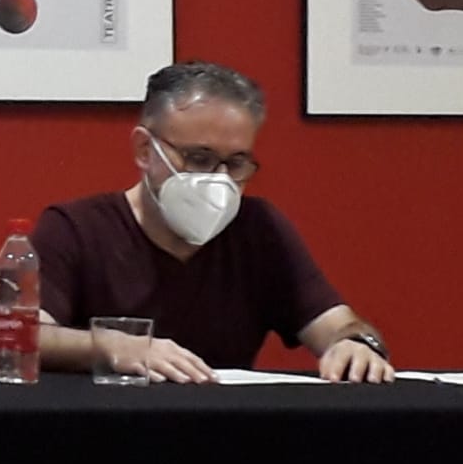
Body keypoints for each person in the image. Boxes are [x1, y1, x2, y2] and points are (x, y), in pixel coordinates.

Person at [34, 61, 393, 383]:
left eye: (236, 163)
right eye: (199, 158)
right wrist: (115, 346)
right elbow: (29, 336)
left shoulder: (260, 230)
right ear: (145, 150)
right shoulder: (75, 228)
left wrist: (355, 344)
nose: (219, 179)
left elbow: (337, 325)